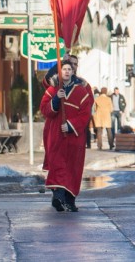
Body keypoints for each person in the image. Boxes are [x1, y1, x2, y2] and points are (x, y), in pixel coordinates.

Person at [40, 59, 94, 212]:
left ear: (74, 70)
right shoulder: (52, 90)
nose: (68, 71)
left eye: (71, 68)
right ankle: (58, 196)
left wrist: (71, 125)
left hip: (74, 137)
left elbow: (86, 113)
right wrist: (56, 98)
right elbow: (45, 109)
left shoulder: (82, 90)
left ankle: (69, 200)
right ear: (60, 70)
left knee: (72, 168)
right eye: (64, 68)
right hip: (56, 135)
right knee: (57, 164)